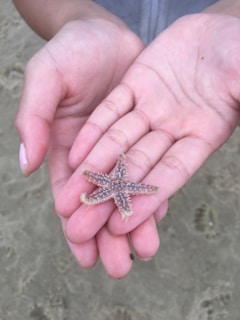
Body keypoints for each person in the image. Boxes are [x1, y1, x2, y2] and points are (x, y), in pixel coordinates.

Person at [13, 0, 240, 278]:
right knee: (147, 171)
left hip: (196, 63)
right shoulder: (116, 180)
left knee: (162, 164)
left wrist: (231, 14)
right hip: (107, 55)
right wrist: (76, 14)